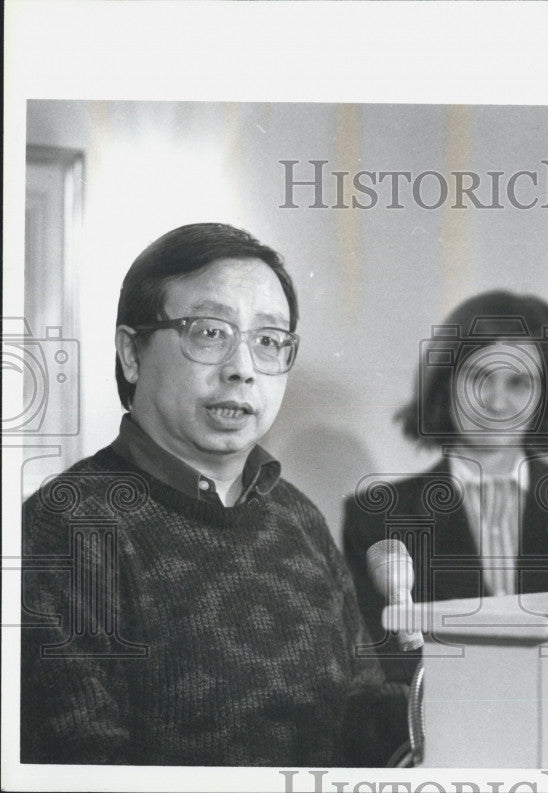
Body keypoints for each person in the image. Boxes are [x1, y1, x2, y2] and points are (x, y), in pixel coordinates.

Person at [20, 223, 407, 766]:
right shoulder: (60, 528)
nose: (242, 370)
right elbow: (81, 765)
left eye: (269, 342)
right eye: (209, 332)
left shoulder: (299, 518)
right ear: (132, 354)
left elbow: (360, 720)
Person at [343, 291, 548, 682]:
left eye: (519, 382)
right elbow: (384, 671)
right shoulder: (376, 517)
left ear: (546, 396)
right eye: (479, 378)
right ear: (445, 386)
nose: (496, 403)